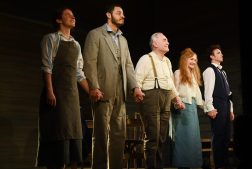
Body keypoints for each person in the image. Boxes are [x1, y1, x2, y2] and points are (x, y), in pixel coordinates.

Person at [82, 3, 144, 169]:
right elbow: (89, 63)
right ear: (109, 15)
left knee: (118, 135)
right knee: (101, 136)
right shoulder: (95, 35)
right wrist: (94, 87)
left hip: (121, 93)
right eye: (119, 12)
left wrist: (135, 87)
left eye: (123, 13)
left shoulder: (123, 40)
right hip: (102, 91)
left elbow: (129, 65)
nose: (122, 15)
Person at [36, 7, 89, 169]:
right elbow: (47, 67)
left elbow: (79, 73)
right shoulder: (50, 39)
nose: (73, 17)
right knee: (58, 141)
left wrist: (91, 92)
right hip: (56, 96)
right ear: (59, 20)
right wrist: (50, 91)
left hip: (71, 99)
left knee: (74, 141)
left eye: (74, 14)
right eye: (68, 14)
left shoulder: (76, 44)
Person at [135, 32, 185, 169]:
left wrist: (177, 99)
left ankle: (158, 166)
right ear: (155, 43)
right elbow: (136, 79)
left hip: (166, 96)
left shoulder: (167, 61)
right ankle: (151, 166)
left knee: (162, 137)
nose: (167, 42)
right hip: (151, 96)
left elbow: (170, 83)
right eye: (164, 40)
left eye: (167, 40)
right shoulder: (146, 59)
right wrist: (137, 90)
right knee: (153, 136)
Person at [203, 44, 235, 169]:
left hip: (226, 105)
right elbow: (208, 92)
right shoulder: (210, 70)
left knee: (227, 136)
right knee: (219, 136)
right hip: (217, 105)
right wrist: (210, 108)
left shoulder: (223, 71)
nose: (221, 54)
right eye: (218, 52)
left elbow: (229, 93)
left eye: (221, 52)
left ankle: (225, 162)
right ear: (211, 56)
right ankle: (218, 164)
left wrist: (231, 109)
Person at [171, 48, 204, 169]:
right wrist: (177, 103)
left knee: (193, 139)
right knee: (184, 139)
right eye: (191, 59)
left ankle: (193, 164)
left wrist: (207, 107)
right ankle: (183, 164)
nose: (194, 62)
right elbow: (173, 92)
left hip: (193, 108)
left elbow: (198, 95)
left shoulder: (194, 75)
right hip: (183, 108)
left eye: (195, 60)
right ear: (185, 60)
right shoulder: (178, 73)